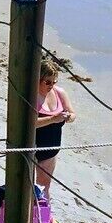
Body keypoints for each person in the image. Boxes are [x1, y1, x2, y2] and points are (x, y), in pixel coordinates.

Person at [31, 56, 74, 187]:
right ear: (38, 79)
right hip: (30, 146)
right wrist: (53, 119)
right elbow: (29, 123)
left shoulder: (60, 92)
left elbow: (72, 114)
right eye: (47, 82)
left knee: (44, 186)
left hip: (51, 148)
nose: (51, 86)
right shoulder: (30, 95)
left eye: (54, 82)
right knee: (26, 186)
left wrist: (68, 117)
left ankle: (44, 208)